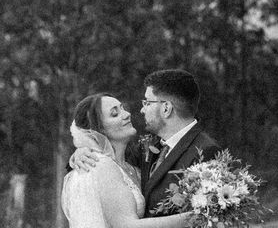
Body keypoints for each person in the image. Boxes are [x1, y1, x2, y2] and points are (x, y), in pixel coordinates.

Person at [70, 69, 221, 216]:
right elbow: (108, 164)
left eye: (147, 103)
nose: (141, 110)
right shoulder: (150, 147)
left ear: (166, 108)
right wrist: (83, 151)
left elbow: (209, 217)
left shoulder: (205, 152)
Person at [62, 92, 191, 228]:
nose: (127, 114)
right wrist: (194, 217)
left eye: (122, 108)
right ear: (99, 130)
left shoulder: (134, 162)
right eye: (115, 114)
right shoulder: (101, 165)